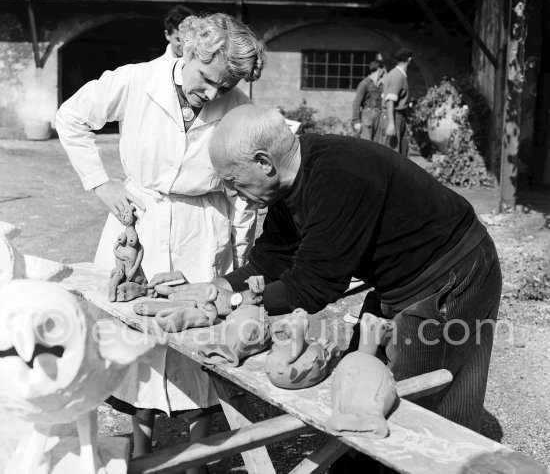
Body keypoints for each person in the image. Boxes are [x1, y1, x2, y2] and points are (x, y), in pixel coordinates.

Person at [151, 105, 502, 437]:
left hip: (451, 273)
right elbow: (269, 261)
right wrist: (212, 288)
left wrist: (238, 300)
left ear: (264, 162)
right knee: (359, 386)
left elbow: (313, 286)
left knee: (419, 406)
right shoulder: (286, 187)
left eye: (232, 180)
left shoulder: (338, 175)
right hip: (400, 279)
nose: (230, 192)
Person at [55, 14, 266, 465]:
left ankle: (197, 454)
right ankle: (142, 447)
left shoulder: (239, 106)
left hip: (203, 225)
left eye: (224, 87)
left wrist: (241, 257)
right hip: (140, 219)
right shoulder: (136, 81)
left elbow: (247, 192)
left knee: (200, 337)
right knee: (137, 336)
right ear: (188, 52)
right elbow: (70, 117)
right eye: (208, 80)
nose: (212, 95)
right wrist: (102, 184)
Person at [378, 47, 413, 156]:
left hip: (397, 116)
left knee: (399, 152)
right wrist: (391, 123)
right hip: (393, 116)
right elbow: (390, 100)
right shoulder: (397, 75)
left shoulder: (396, 74)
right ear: (409, 59)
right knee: (393, 153)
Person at [351, 57, 385, 140]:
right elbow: (356, 103)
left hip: (378, 117)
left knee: (377, 145)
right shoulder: (365, 84)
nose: (383, 73)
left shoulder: (381, 86)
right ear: (379, 69)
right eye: (382, 70)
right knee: (366, 144)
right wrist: (356, 121)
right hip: (367, 117)